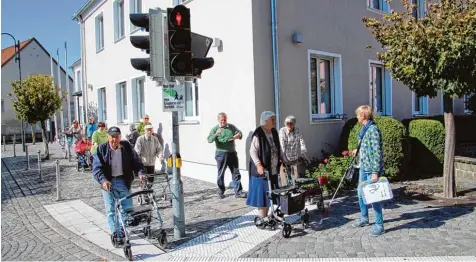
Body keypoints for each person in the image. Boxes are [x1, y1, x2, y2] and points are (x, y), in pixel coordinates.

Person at [92, 126, 145, 244]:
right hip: (108, 182)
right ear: (107, 137)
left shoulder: (126, 147)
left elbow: (137, 162)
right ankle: (117, 234)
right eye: (112, 137)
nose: (115, 140)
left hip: (123, 181)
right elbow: (96, 168)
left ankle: (122, 230)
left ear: (120, 137)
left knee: (127, 209)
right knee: (111, 210)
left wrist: (140, 173)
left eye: (117, 137)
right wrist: (103, 181)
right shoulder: (101, 149)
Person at [351, 105, 385, 237]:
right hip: (364, 166)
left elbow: (377, 152)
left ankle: (379, 225)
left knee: (373, 197)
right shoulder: (364, 129)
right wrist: (357, 151)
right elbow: (366, 146)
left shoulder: (373, 130)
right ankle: (364, 218)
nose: (357, 117)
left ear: (363, 115)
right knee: (360, 193)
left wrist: (376, 172)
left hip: (372, 168)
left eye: (358, 114)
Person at [246, 111, 282, 221]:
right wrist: (258, 165)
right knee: (262, 196)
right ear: (266, 121)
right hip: (261, 171)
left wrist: (283, 160)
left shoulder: (274, 131)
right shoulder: (258, 133)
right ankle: (262, 218)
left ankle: (268, 217)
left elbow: (278, 148)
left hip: (273, 170)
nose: (274, 121)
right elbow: (252, 151)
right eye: (272, 119)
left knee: (270, 195)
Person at [207, 112, 247, 199]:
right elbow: (209, 140)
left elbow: (240, 134)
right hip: (221, 154)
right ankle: (220, 191)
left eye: (225, 119)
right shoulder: (215, 129)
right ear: (218, 120)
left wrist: (237, 136)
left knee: (235, 172)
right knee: (221, 173)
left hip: (232, 153)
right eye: (221, 120)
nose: (223, 121)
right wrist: (216, 134)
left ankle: (238, 192)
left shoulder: (231, 127)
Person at [278, 115, 308, 186]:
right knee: (285, 181)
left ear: (294, 124)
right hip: (285, 159)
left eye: (290, 123)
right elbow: (282, 145)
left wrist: (303, 149)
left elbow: (301, 140)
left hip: (294, 158)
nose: (289, 125)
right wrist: (283, 158)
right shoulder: (282, 131)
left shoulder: (297, 130)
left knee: (296, 179)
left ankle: (295, 194)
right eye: (287, 123)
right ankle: (285, 194)